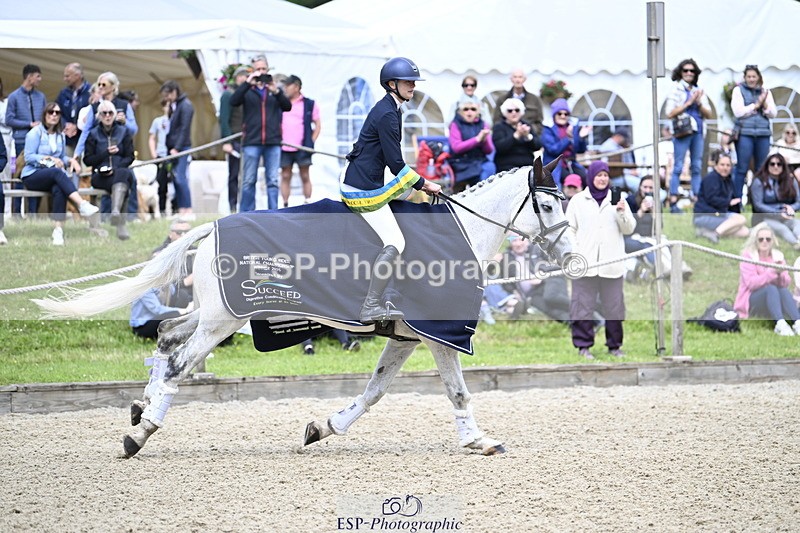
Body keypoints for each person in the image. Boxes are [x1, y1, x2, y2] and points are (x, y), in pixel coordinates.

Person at [340, 57, 442, 323]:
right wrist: (425, 184)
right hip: (361, 188)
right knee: (396, 241)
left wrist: (413, 187)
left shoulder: (393, 108)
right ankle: (370, 306)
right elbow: (396, 163)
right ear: (392, 84)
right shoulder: (387, 113)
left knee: (408, 198)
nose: (413, 86)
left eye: (414, 82)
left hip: (369, 178)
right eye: (408, 82)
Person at [565, 161, 635, 359]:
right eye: (599, 175)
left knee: (614, 307)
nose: (603, 179)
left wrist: (622, 213)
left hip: (612, 263)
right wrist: (576, 253)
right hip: (584, 264)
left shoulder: (618, 199)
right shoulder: (578, 201)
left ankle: (615, 346)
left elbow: (629, 229)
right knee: (582, 307)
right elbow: (569, 229)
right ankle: (583, 346)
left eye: (605, 175)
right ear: (591, 177)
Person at [20, 102, 99, 245]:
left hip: (51, 176)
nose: (54, 115)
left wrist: (71, 161)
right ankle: (81, 204)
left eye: (57, 112)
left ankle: (58, 231)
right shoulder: (35, 133)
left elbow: (61, 157)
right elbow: (29, 157)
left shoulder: (60, 136)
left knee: (59, 189)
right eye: (51, 112)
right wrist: (49, 159)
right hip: (32, 175)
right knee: (57, 173)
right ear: (45, 115)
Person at [230, 55, 292, 212]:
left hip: (272, 142)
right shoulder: (247, 90)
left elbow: (287, 107)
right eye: (258, 69)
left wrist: (276, 91)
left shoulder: (274, 90)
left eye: (264, 69)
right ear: (252, 71)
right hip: (252, 141)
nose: (261, 72)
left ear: (268, 70)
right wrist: (247, 83)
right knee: (248, 180)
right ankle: (245, 214)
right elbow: (233, 101)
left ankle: (273, 214)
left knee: (272, 180)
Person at [734, 223, 800, 336]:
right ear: (756, 241)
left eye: (768, 239)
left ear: (772, 241)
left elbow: (785, 283)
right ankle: (780, 324)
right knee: (770, 288)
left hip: (773, 299)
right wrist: (772, 272)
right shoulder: (748, 257)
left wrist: (780, 274)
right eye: (761, 239)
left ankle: (797, 322)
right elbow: (751, 283)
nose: (764, 242)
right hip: (751, 301)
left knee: (782, 291)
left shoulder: (777, 256)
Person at [83, 100, 135, 240]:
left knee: (124, 174)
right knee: (125, 180)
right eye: (104, 113)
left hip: (119, 172)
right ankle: (120, 224)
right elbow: (87, 160)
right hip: (100, 176)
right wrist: (105, 154)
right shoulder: (93, 134)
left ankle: (116, 212)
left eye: (110, 113)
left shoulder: (124, 132)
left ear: (115, 115)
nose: (107, 116)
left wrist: (116, 168)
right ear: (99, 116)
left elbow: (130, 157)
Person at [664, 59, 712, 211]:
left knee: (696, 166)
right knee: (678, 166)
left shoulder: (699, 90)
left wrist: (698, 103)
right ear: (681, 72)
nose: (689, 73)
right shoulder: (676, 90)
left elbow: (708, 114)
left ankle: (696, 197)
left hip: (697, 131)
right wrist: (688, 102)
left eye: (692, 71)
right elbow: (669, 113)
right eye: (686, 70)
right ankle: (673, 199)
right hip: (682, 132)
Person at [624, 175, 691, 279]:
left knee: (666, 244)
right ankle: (665, 269)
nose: (647, 190)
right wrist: (641, 211)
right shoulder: (630, 201)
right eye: (645, 187)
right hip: (634, 237)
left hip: (651, 235)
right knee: (650, 246)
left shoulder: (657, 202)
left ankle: (680, 267)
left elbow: (660, 227)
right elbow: (628, 228)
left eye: (651, 188)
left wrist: (654, 213)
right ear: (640, 187)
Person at [6, 64, 46, 216]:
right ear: (29, 77)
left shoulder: (40, 96)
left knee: (34, 174)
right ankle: (16, 213)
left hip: (38, 143)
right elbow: (9, 119)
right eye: (38, 76)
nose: (40, 80)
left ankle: (32, 213)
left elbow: (45, 116)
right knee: (17, 175)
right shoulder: (14, 96)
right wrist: (28, 124)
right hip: (19, 142)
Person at [732, 65, 777, 201]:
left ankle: (759, 201)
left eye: (754, 76)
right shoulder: (738, 90)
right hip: (745, 133)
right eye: (749, 76)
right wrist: (755, 106)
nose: (751, 79)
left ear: (758, 77)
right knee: (742, 168)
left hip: (763, 133)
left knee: (761, 169)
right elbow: (738, 112)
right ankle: (737, 200)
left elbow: (773, 113)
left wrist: (764, 106)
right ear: (745, 78)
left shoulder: (766, 92)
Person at [280, 74, 320, 207]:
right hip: (284, 146)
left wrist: (311, 142)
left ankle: (308, 202)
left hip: (303, 147)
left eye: (288, 85)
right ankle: (285, 203)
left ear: (296, 87)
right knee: (285, 175)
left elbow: (318, 125)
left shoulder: (309, 104)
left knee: (305, 175)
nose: (285, 88)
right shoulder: (282, 102)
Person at [693, 153, 749, 244]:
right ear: (716, 166)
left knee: (744, 231)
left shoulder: (728, 180)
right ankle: (716, 233)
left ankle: (705, 232)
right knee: (741, 219)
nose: (725, 168)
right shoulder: (711, 178)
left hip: (719, 214)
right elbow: (711, 199)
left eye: (728, 165)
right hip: (705, 215)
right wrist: (728, 202)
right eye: (722, 165)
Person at [749, 153, 800, 248]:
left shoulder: (791, 180)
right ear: (767, 165)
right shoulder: (759, 180)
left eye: (779, 164)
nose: (775, 166)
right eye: (772, 164)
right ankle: (796, 244)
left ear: (783, 166)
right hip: (764, 217)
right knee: (783, 229)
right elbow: (758, 205)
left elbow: (798, 201)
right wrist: (778, 213)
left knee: (797, 224)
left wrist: (791, 208)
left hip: (786, 216)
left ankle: (799, 239)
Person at [161, 80, 194, 218]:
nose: (166, 98)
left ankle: (188, 209)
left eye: (167, 95)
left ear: (174, 92)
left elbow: (184, 129)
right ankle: (182, 209)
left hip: (181, 147)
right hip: (174, 147)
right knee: (176, 179)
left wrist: (177, 148)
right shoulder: (175, 106)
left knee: (181, 178)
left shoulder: (185, 106)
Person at [219, 65, 249, 213]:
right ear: (236, 77)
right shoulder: (228, 94)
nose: (244, 78)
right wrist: (227, 141)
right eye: (241, 75)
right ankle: (232, 206)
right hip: (235, 140)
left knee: (248, 175)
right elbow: (224, 119)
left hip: (249, 141)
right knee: (234, 174)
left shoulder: (249, 94)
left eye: (246, 75)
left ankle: (245, 207)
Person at [541, 98, 590, 187]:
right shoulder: (547, 128)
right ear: (554, 115)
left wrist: (581, 138)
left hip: (571, 163)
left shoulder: (573, 126)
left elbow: (581, 150)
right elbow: (553, 150)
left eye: (566, 114)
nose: (563, 116)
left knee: (588, 178)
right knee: (569, 180)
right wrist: (568, 138)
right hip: (553, 165)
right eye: (559, 113)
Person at [448, 99, 494, 192]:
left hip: (479, 161)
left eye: (473, 109)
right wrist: (477, 140)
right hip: (461, 163)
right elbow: (457, 147)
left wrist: (484, 141)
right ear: (460, 111)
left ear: (478, 111)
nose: (469, 112)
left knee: (490, 167)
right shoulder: (455, 124)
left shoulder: (484, 124)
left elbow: (489, 150)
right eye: (466, 109)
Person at [491, 98, 540, 173]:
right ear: (504, 113)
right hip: (506, 167)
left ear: (521, 112)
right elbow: (499, 148)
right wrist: (516, 135)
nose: (514, 113)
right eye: (510, 111)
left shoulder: (526, 125)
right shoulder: (499, 127)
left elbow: (537, 146)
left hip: (527, 166)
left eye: (517, 110)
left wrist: (528, 136)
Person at [55, 63, 91, 157]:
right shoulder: (63, 93)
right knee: (68, 167)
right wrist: (65, 124)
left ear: (77, 76)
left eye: (67, 76)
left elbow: (93, 114)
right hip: (68, 138)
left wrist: (77, 126)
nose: (65, 79)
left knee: (84, 170)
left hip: (86, 140)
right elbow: (57, 112)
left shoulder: (91, 92)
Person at [492, 68, 543, 134]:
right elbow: (496, 120)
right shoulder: (502, 99)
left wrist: (531, 131)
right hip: (507, 136)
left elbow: (539, 121)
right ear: (511, 79)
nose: (517, 80)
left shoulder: (535, 99)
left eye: (520, 77)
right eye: (515, 77)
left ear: (524, 79)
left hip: (528, 136)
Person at [148, 99, 172, 216]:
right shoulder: (158, 121)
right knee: (161, 185)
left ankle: (175, 209)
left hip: (173, 155)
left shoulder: (176, 120)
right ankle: (161, 210)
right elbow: (152, 137)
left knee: (175, 183)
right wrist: (154, 154)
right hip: (161, 156)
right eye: (167, 106)